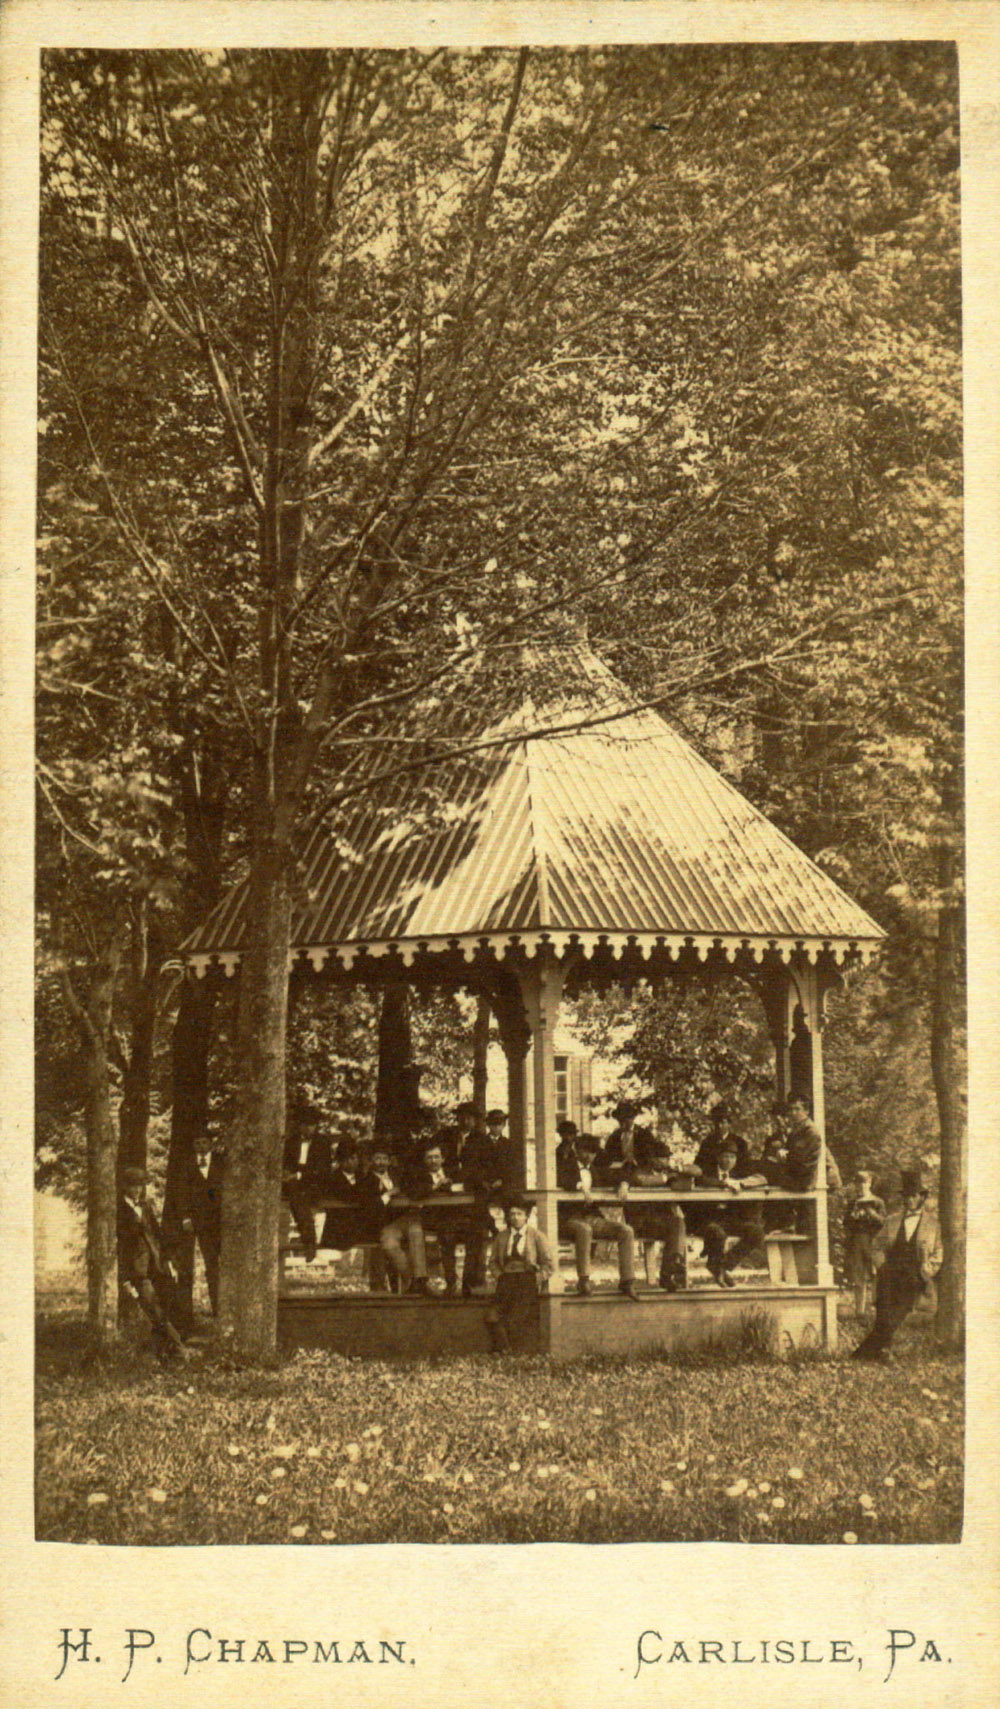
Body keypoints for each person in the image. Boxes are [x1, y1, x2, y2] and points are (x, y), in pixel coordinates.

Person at [851, 1168, 942, 1361]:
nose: (909, 1200)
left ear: (921, 1197)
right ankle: (882, 1351)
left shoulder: (933, 1224)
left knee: (899, 1310)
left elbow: (938, 1253)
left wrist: (926, 1270)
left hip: (915, 1275)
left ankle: (864, 1353)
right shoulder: (892, 1221)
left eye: (913, 1196)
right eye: (907, 1196)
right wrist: (881, 1266)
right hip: (889, 1271)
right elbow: (876, 1246)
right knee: (884, 1309)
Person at [557, 1132, 642, 1300]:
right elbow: (563, 1179)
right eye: (586, 1151)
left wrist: (624, 1184)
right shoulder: (566, 1165)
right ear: (577, 1150)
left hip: (591, 1217)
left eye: (593, 1152)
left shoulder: (595, 1169)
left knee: (626, 1231)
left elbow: (622, 1174)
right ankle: (584, 1280)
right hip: (569, 1218)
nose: (590, 1156)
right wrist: (581, 1187)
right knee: (584, 1229)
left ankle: (627, 1281)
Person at [118, 1167, 189, 1361]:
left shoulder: (146, 1207)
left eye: (140, 1186)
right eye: (133, 1186)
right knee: (153, 1309)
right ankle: (179, 1347)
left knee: (165, 1307)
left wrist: (168, 1262)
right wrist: (125, 1278)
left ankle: (159, 1353)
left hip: (157, 1266)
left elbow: (158, 1236)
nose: (137, 1190)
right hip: (137, 1271)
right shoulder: (120, 1211)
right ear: (125, 1187)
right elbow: (121, 1248)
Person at [485, 1195, 553, 1353]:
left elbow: (549, 1264)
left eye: (519, 1214)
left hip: (526, 1280)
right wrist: (499, 1276)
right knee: (492, 1316)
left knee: (516, 1318)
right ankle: (504, 1348)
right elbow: (493, 1262)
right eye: (512, 1214)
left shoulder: (536, 1236)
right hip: (506, 1280)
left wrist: (537, 1278)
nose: (515, 1217)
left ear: (526, 1216)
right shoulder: (502, 1236)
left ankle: (513, 1352)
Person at [698, 1139, 766, 1287]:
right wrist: (723, 1183)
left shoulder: (740, 1172)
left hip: (732, 1219)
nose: (728, 1160)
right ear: (718, 1158)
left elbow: (761, 1178)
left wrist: (740, 1183)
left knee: (756, 1232)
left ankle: (723, 1265)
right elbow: (699, 1179)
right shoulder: (708, 1170)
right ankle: (716, 1266)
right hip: (710, 1219)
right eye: (725, 1156)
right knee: (716, 1232)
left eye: (732, 1157)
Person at [405, 1139, 466, 1294]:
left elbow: (464, 1187)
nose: (433, 1161)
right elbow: (415, 1192)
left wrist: (451, 1187)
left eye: (436, 1157)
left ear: (443, 1158)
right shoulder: (419, 1176)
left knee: (451, 1233)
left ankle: (453, 1281)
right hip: (430, 1219)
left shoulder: (453, 1173)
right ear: (424, 1160)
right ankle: (426, 1281)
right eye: (429, 1157)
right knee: (438, 1233)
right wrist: (435, 1186)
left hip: (451, 1217)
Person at [843, 1169, 886, 1317]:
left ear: (870, 1183)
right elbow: (846, 1223)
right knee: (858, 1276)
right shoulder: (853, 1203)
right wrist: (852, 1216)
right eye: (858, 1183)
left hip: (873, 1242)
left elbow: (883, 1223)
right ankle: (860, 1311)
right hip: (857, 1241)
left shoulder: (877, 1202)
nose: (861, 1186)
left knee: (875, 1275)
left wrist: (871, 1213)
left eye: (864, 1182)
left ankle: (876, 1309)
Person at [694, 1101, 752, 1179]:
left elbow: (745, 1167)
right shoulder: (707, 1142)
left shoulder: (740, 1143)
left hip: (734, 1180)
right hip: (711, 1181)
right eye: (716, 1122)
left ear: (729, 1124)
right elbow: (700, 1165)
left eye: (723, 1122)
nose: (719, 1126)